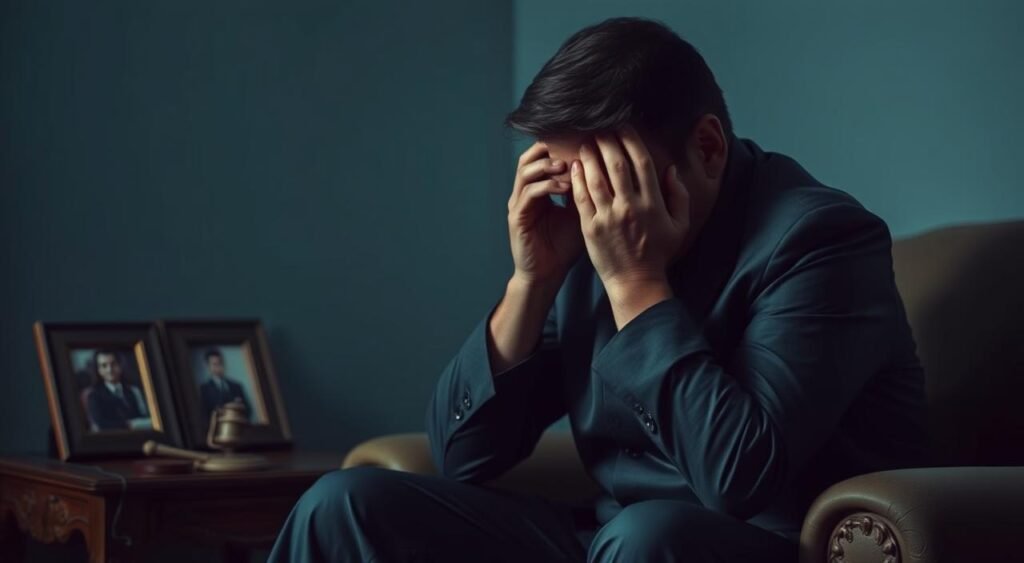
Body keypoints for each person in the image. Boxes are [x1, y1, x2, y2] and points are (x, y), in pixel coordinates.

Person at [268, 17, 928, 562]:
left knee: (644, 538)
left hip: (759, 541)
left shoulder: (821, 240)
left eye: (609, 180)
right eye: (571, 182)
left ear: (706, 147)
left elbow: (740, 476)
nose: (591, 208)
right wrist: (533, 279)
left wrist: (636, 282)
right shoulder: (582, 237)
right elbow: (463, 455)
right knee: (341, 504)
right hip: (610, 538)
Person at [85, 349, 151, 431]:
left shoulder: (134, 391)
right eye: (104, 366)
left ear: (120, 365)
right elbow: (100, 424)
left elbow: (146, 418)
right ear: (98, 370)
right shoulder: (94, 396)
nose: (109, 370)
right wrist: (130, 424)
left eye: (113, 364)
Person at [199, 348, 253, 422]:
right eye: (215, 364)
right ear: (208, 367)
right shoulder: (204, 389)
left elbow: (248, 410)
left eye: (220, 363)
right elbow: (204, 415)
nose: (219, 367)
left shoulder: (237, 386)